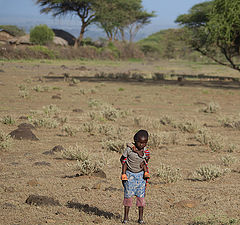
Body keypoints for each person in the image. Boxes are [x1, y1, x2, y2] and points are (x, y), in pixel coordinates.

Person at [120, 130, 150, 224]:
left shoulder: (145, 150)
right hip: (129, 175)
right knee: (128, 197)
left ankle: (140, 219)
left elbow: (146, 158)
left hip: (140, 176)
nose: (142, 144)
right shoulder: (129, 149)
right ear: (135, 140)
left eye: (144, 143)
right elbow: (122, 159)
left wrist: (144, 163)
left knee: (141, 198)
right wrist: (125, 168)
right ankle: (126, 218)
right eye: (140, 142)